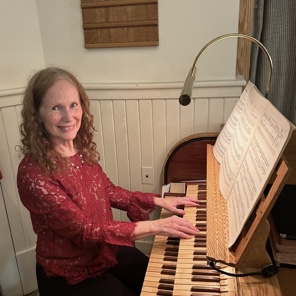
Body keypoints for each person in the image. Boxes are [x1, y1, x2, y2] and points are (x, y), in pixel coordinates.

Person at [17, 67, 200, 296]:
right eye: (56, 108)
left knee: (159, 278)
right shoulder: (33, 173)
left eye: (74, 105)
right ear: (37, 115)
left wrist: (157, 200)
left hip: (102, 252)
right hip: (68, 274)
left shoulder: (79, 150)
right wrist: (158, 226)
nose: (69, 116)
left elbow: (107, 190)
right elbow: (85, 230)